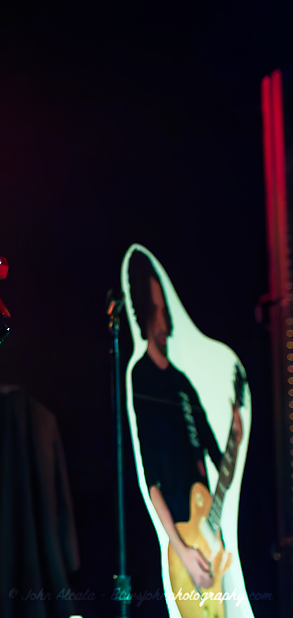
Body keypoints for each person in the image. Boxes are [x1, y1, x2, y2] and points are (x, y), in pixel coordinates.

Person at [129, 251, 243, 591]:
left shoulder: (183, 384)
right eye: (159, 310)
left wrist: (235, 437)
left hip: (207, 532)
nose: (167, 321)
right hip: (183, 542)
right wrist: (181, 549)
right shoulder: (141, 378)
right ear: (145, 314)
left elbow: (218, 460)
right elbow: (152, 481)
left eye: (166, 309)